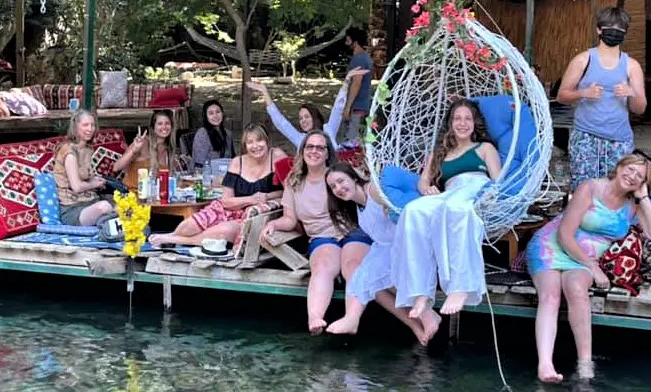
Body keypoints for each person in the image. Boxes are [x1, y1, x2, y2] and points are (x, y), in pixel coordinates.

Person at [526, 153, 651, 383]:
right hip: (552, 247)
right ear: (619, 166)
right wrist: (594, 266)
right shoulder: (590, 188)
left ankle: (585, 364)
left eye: (639, 176)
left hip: (584, 260)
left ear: (642, 183)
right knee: (550, 295)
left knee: (576, 289)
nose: (631, 177)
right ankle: (545, 365)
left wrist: (644, 198)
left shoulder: (633, 204)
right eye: (629, 169)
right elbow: (564, 234)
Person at [391, 98, 501, 318]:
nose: (462, 123)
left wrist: (491, 197)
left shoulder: (484, 148)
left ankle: (460, 286)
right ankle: (421, 291)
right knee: (413, 212)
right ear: (450, 123)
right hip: (448, 193)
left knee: (455, 208)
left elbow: (498, 180)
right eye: (457, 118)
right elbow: (423, 182)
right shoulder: (440, 152)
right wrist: (427, 190)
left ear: (475, 123)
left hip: (476, 189)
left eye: (467, 119)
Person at [260, 131, 372, 334]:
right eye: (309, 146)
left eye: (320, 147)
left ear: (327, 153)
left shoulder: (337, 176)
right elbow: (290, 219)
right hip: (321, 237)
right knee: (322, 267)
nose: (314, 151)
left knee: (352, 266)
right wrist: (274, 225)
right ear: (302, 151)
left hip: (351, 231)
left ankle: (351, 319)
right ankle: (315, 319)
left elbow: (366, 193)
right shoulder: (294, 182)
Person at [324, 162, 441, 345]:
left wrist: (389, 204)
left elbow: (399, 202)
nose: (338, 188)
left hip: (408, 245)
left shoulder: (373, 191)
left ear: (354, 177)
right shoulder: (356, 206)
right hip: (387, 248)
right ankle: (415, 327)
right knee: (373, 285)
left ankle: (426, 315)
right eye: (333, 186)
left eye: (341, 181)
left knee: (373, 274)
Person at [150, 123, 286, 246]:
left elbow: (290, 191)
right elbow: (226, 201)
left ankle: (172, 240)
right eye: (250, 142)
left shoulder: (277, 156)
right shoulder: (237, 162)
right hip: (231, 208)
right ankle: (171, 237)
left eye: (259, 140)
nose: (255, 146)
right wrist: (252, 199)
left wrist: (266, 197)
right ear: (245, 145)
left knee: (222, 231)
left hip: (253, 216)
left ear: (267, 141)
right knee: (190, 225)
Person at [557, 7, 647, 190]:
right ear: (599, 30)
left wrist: (631, 93)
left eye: (620, 29)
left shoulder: (631, 66)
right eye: (609, 27)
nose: (615, 32)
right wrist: (583, 93)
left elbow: (640, 108)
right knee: (584, 190)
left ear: (625, 33)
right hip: (585, 137)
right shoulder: (583, 60)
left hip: (619, 139)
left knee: (617, 191)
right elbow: (561, 96)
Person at [246, 67, 369, 150]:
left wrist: (347, 80)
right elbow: (280, 122)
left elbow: (338, 108)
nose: (303, 121)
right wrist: (265, 92)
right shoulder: (300, 138)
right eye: (300, 118)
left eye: (306, 116)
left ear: (315, 117)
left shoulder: (328, 129)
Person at [53, 110, 114, 226]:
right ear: (75, 127)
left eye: (92, 125)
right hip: (73, 209)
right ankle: (106, 224)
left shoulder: (88, 149)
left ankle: (108, 223)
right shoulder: (68, 151)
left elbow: (85, 177)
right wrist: (95, 184)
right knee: (104, 207)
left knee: (126, 205)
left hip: (91, 201)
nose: (90, 129)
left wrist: (96, 180)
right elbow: (76, 186)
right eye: (85, 125)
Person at [114, 110, 181, 189]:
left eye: (167, 123)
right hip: (131, 194)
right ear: (153, 127)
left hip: (153, 197)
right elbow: (116, 167)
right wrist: (133, 150)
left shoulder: (169, 150)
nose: (164, 127)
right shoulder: (143, 143)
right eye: (160, 124)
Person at [341, 28, 373, 142]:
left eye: (348, 40)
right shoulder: (366, 58)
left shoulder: (359, 59)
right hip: (363, 106)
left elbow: (356, 83)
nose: (346, 43)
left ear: (355, 42)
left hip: (357, 107)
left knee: (350, 142)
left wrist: (348, 107)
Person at [189, 99, 236, 167]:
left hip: (224, 173)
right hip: (204, 174)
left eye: (218, 112)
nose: (215, 116)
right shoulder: (202, 133)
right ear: (206, 117)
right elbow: (199, 164)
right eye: (211, 113)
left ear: (222, 113)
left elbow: (232, 158)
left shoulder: (228, 133)